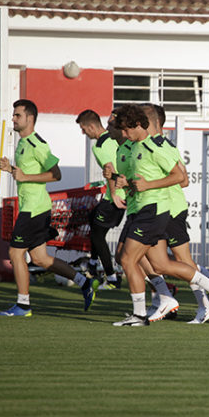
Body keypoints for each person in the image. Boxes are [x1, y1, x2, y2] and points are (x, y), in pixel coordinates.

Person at [108, 105, 209, 327]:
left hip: (160, 210)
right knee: (159, 264)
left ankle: (145, 313)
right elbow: (138, 184)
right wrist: (121, 182)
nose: (122, 134)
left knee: (127, 258)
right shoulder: (131, 148)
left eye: (124, 129)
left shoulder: (158, 146)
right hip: (143, 209)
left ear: (142, 124)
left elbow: (181, 177)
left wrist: (145, 185)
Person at [0, 99, 97, 316]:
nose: (13, 119)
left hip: (33, 209)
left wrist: (24, 175)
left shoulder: (36, 144)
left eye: (17, 115)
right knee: (40, 259)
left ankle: (23, 305)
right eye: (13, 115)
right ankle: (83, 282)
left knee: (15, 254)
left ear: (29, 119)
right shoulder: (23, 142)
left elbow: (55, 174)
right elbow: (26, 175)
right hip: (33, 207)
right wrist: (11, 169)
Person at [76, 109, 124, 290]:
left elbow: (110, 169)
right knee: (93, 218)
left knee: (97, 234)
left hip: (116, 196)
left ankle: (111, 278)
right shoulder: (113, 139)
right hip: (118, 193)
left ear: (90, 126)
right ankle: (94, 264)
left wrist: (115, 196)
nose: (83, 133)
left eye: (83, 129)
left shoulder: (100, 146)